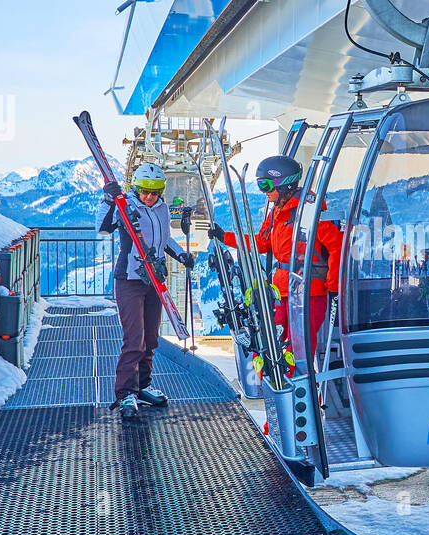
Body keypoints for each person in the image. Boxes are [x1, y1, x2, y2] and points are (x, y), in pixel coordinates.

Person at [209, 155, 343, 360]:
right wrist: (224, 236)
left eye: (266, 185)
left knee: (299, 348)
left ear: (284, 184)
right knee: (274, 342)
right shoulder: (276, 212)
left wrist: (334, 288)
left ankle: (299, 388)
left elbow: (337, 247)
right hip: (281, 290)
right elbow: (261, 243)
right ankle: (277, 386)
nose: (264, 192)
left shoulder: (309, 210)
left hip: (309, 291)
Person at [99, 162, 194, 419]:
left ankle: (143, 386)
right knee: (135, 339)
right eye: (144, 191)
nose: (149, 197)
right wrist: (109, 200)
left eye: (154, 191)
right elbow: (103, 227)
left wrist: (182, 255)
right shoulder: (126, 205)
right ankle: (126, 392)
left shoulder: (161, 209)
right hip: (130, 279)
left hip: (154, 278)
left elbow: (164, 240)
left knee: (151, 338)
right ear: (136, 188)